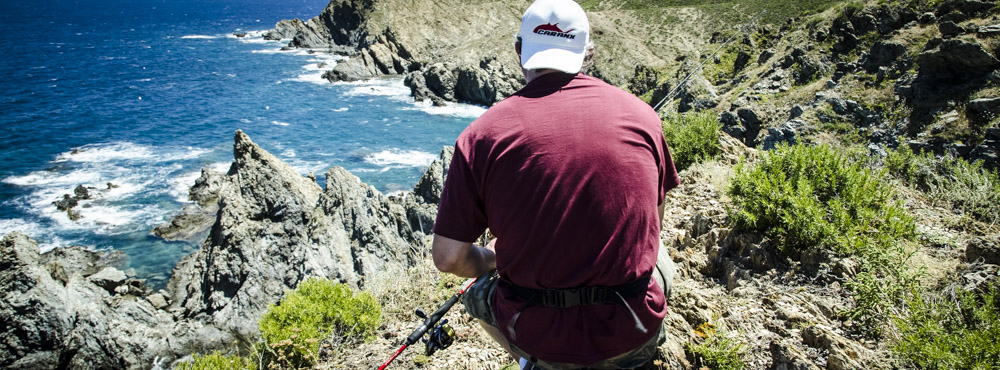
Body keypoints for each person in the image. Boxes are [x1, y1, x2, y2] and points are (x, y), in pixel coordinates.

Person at [431, 0, 680, 368]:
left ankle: (530, 362)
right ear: (587, 53)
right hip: (633, 332)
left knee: (477, 293)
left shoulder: (481, 136)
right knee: (658, 255)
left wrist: (494, 257)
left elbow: (449, 257)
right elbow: (653, 227)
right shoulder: (643, 116)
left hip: (541, 338)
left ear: (520, 53)